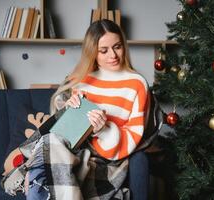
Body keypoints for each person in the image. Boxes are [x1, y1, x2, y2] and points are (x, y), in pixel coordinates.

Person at [24, 19, 150, 200]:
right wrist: (67, 111)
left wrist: (104, 130)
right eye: (103, 50)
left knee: (43, 166)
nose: (112, 55)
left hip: (107, 161)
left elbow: (136, 135)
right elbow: (66, 132)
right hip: (74, 152)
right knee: (49, 143)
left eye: (117, 47)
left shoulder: (137, 83)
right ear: (93, 53)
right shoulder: (82, 79)